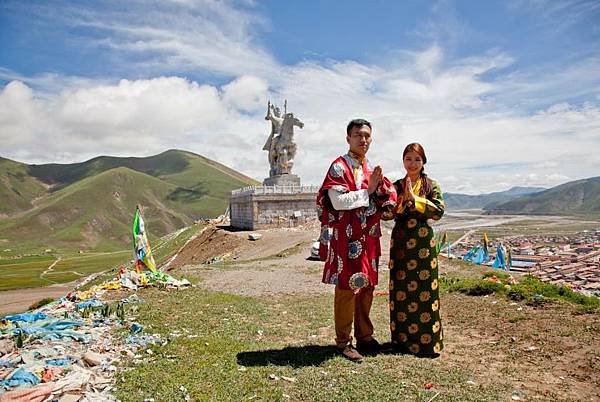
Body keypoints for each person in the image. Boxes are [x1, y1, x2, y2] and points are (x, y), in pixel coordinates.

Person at [316, 119, 396, 362]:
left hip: (369, 238)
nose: (363, 140)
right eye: (358, 135)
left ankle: (365, 337)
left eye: (367, 136)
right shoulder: (338, 167)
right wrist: (369, 191)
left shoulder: (370, 168)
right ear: (348, 138)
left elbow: (382, 194)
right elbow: (338, 201)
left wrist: (385, 198)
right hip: (346, 239)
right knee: (346, 288)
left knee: (367, 287)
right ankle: (343, 342)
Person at [387, 143, 445, 356]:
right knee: (401, 288)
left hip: (422, 244)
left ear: (423, 162)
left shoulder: (431, 185)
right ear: (403, 161)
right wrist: (395, 201)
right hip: (401, 240)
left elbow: (438, 211)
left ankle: (427, 343)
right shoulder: (395, 186)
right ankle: (402, 342)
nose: (412, 163)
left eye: (417, 159)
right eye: (408, 158)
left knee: (425, 290)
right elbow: (387, 212)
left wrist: (417, 200)